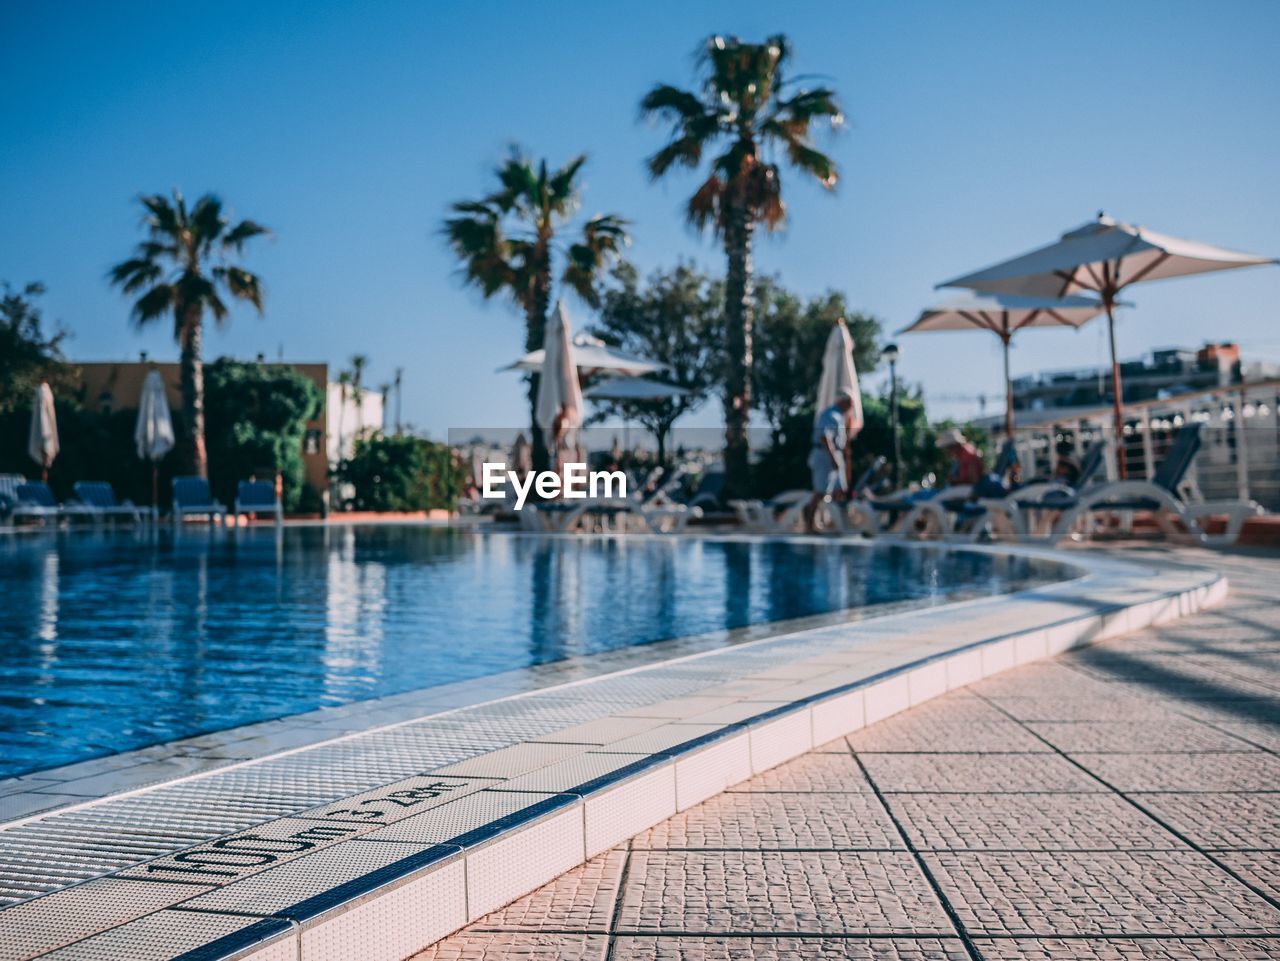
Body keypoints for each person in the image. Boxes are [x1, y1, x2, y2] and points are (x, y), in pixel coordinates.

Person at [805, 387, 857, 532]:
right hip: (825, 455)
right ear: (844, 401)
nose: (852, 406)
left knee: (840, 490)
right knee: (820, 491)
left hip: (834, 454)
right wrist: (833, 457)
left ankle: (836, 523)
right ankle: (809, 525)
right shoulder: (830, 414)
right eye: (851, 402)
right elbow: (824, 437)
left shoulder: (840, 416)